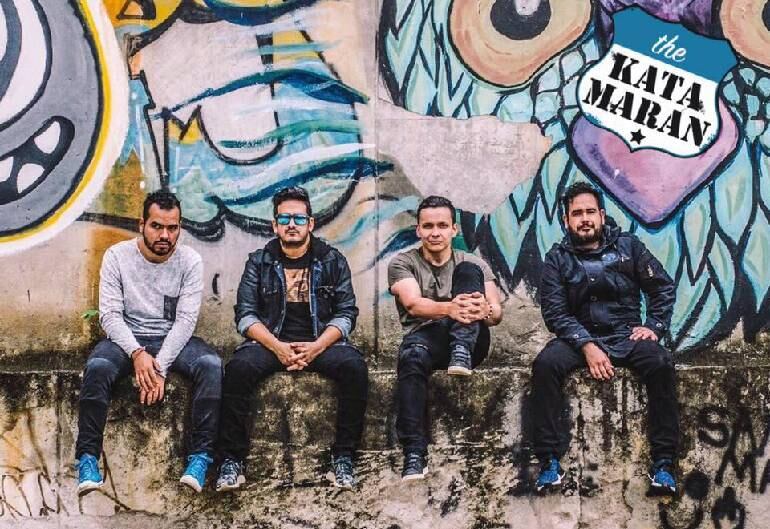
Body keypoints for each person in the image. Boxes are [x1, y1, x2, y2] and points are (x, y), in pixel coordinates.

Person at [531, 181, 680, 494]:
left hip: (627, 332)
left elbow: (662, 286)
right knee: (545, 365)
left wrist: (654, 326)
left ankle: (664, 464)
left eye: (590, 212)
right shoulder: (556, 258)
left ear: (601, 215)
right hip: (578, 337)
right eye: (577, 214)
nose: (584, 219)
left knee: (661, 363)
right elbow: (555, 313)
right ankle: (548, 463)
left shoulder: (630, 247)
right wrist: (587, 345)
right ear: (566, 220)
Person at [216, 186, 368, 490]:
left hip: (319, 342)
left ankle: (343, 457)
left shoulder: (332, 260)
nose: (291, 225)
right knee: (237, 369)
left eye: (298, 219)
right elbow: (245, 315)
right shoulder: (259, 262)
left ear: (310, 223)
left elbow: (346, 313)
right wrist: (278, 348)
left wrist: (317, 347)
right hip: (271, 343)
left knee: (355, 369)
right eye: (284, 219)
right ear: (275, 225)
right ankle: (232, 460)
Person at [76, 190, 222, 495]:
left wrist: (159, 367)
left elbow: (185, 321)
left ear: (180, 228)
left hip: (172, 338)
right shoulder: (117, 256)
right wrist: (137, 353)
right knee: (98, 367)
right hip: (127, 338)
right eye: (157, 226)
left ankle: (200, 458)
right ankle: (87, 460)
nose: (165, 235)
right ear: (142, 224)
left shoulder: (189, 261)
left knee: (210, 365)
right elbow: (110, 316)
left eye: (172, 228)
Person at [388, 195, 503, 480]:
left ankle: (461, 348)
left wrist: (484, 310)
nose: (435, 233)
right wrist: (452, 309)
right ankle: (414, 453)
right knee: (411, 357)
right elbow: (413, 305)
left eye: (442, 225)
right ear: (418, 230)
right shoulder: (402, 262)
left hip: (472, 343)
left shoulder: (473, 262)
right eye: (428, 226)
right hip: (426, 340)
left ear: (454, 229)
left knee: (468, 272)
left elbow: (496, 313)